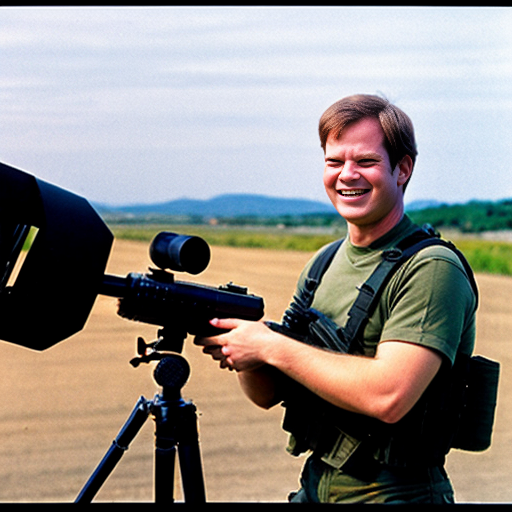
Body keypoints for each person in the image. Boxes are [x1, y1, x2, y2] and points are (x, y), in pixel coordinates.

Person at [194, 94, 477, 503]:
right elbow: (267, 395)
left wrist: (272, 345)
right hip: (318, 485)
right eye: (334, 161)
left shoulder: (431, 268)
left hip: (396, 494)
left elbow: (389, 396)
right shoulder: (324, 262)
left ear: (402, 169)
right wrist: (245, 350)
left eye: (365, 162)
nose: (347, 175)